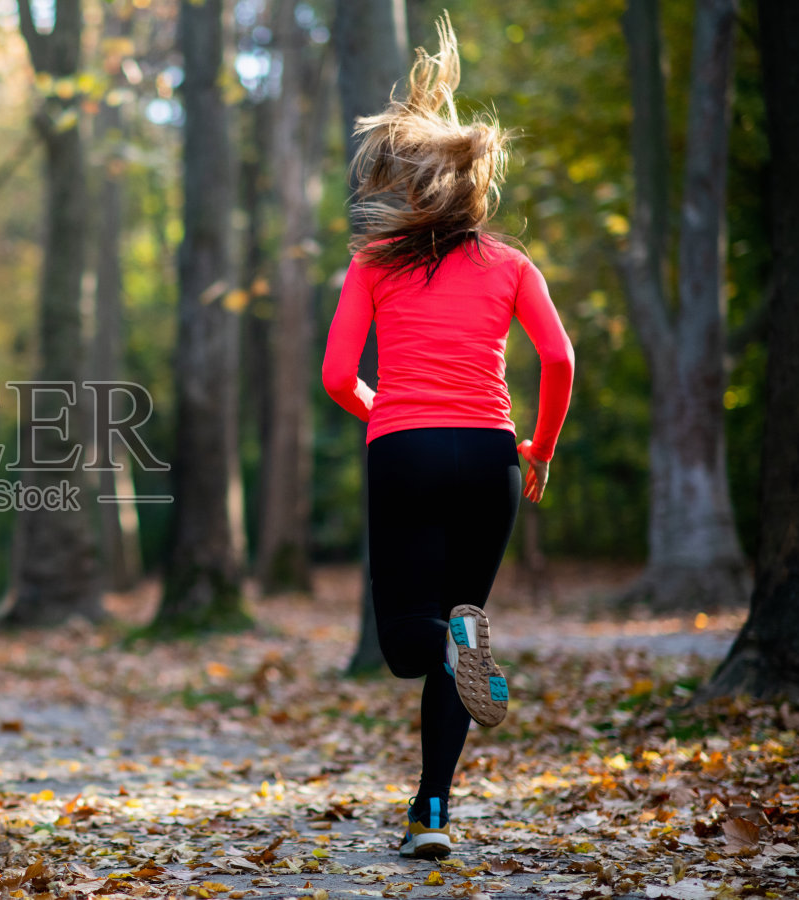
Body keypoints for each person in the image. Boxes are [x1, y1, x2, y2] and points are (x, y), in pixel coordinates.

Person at [320, 15, 574, 860]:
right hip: (492, 457)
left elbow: (335, 377)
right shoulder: (511, 264)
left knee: (407, 641)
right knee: (462, 622)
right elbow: (558, 357)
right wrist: (537, 449)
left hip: (406, 449)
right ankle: (431, 813)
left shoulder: (375, 263)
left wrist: (384, 410)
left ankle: (457, 658)